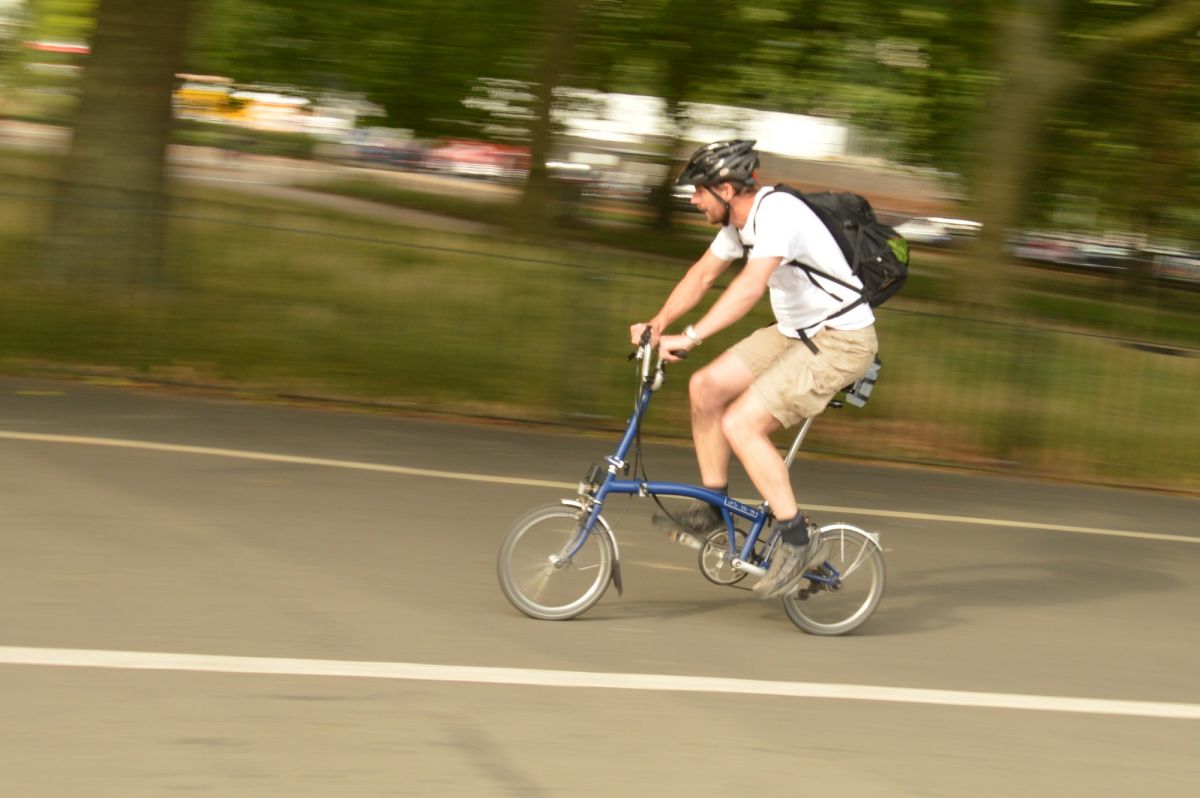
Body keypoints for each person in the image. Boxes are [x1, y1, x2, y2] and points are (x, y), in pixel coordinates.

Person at [630, 139, 878, 598]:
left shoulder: (778, 214)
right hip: (794, 331)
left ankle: (797, 540)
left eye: (699, 190)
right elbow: (702, 275)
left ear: (726, 188)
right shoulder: (738, 223)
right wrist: (658, 323)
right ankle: (712, 507)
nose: (692, 198)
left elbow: (747, 288)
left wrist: (690, 337)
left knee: (741, 424)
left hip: (841, 340)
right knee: (706, 387)